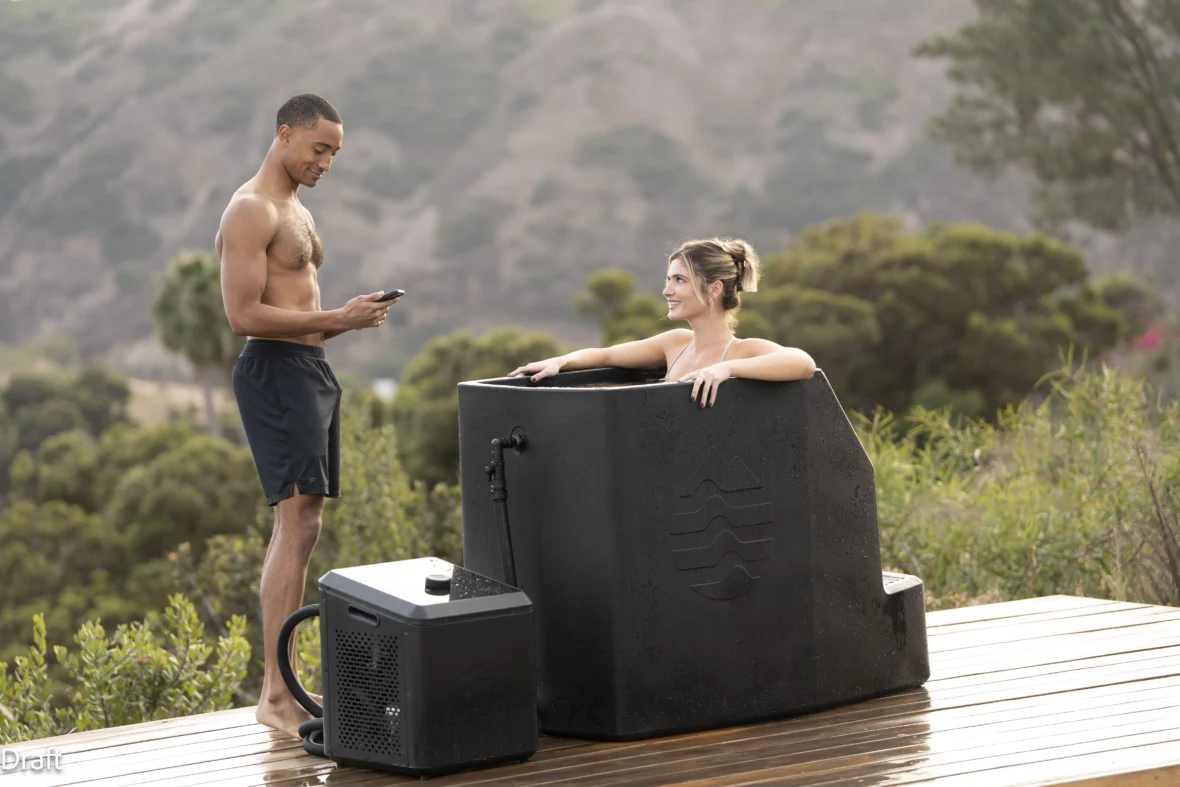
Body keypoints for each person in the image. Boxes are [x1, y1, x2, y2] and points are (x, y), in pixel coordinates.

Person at [216, 93, 398, 739]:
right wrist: (337, 318)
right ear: (285, 134)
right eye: (319, 148)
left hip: (309, 368)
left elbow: (298, 306)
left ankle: (285, 684)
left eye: (335, 153)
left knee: (305, 521)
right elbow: (242, 315)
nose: (326, 162)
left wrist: (343, 320)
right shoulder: (251, 209)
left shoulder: (296, 208)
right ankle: (274, 693)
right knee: (295, 523)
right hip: (274, 371)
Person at [509, 237, 816, 403]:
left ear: (714, 289)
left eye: (679, 280)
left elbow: (803, 364)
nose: (667, 290)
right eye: (668, 280)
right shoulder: (675, 343)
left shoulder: (742, 351)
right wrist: (561, 362)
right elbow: (605, 355)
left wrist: (726, 369)